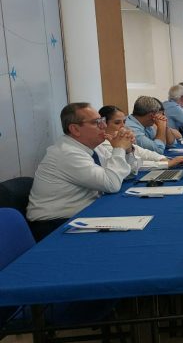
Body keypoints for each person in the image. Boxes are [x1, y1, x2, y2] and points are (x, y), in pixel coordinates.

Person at [26, 103, 133, 240]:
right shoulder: (67, 153)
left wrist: (128, 150)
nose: (104, 126)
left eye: (102, 120)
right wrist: (119, 149)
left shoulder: (94, 146)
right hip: (54, 225)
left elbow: (127, 174)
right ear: (75, 129)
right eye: (96, 122)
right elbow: (112, 184)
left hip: (80, 214)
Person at [99, 106, 183, 169]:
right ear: (104, 125)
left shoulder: (122, 136)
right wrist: (166, 164)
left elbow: (143, 152)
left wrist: (162, 159)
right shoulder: (103, 144)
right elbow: (130, 166)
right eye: (117, 123)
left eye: (124, 122)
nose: (123, 126)